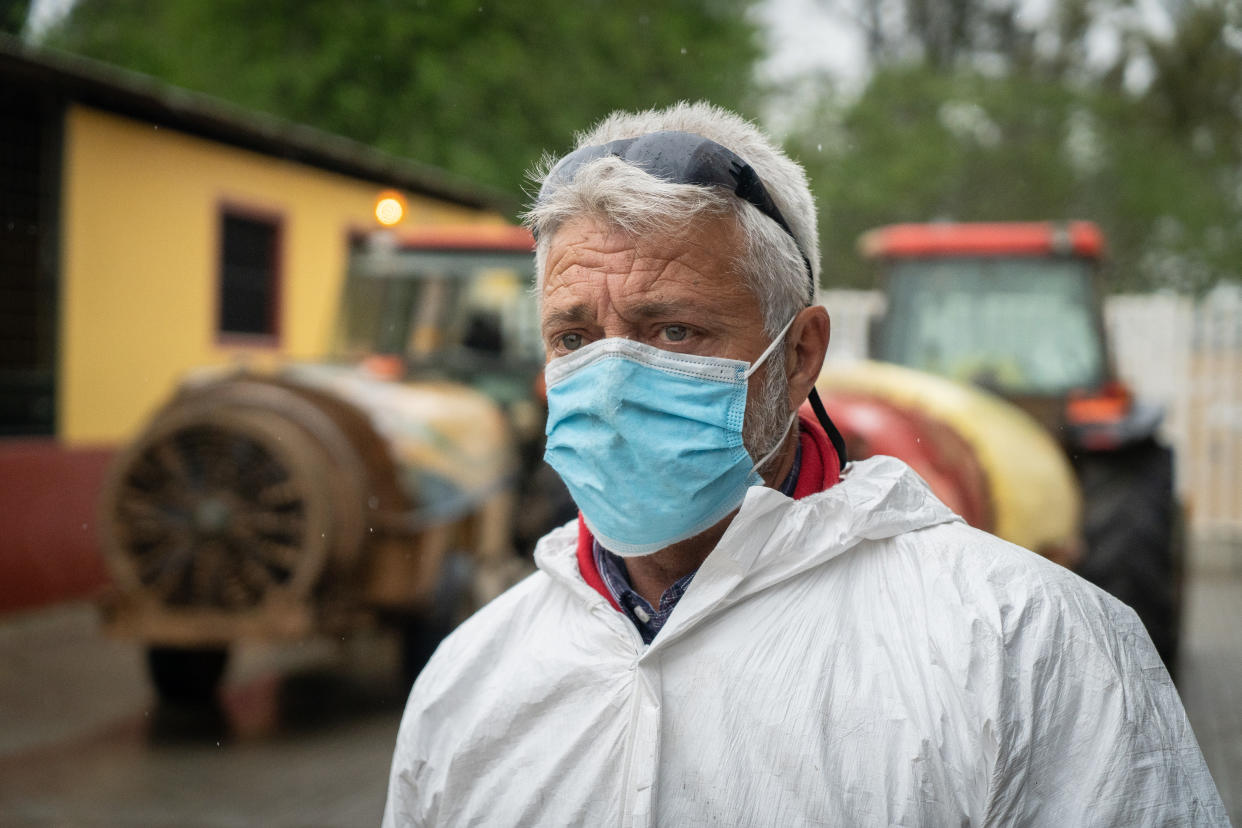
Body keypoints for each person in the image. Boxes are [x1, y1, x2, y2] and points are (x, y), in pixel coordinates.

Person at [383, 102, 1225, 826]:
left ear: (799, 355)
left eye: (674, 330)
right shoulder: (471, 678)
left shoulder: (1020, 643)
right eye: (573, 338)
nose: (609, 384)